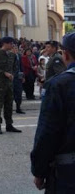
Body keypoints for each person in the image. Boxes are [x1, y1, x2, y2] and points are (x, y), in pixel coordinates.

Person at [31, 32, 75, 192]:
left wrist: (39, 170)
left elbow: (47, 131)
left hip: (68, 173)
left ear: (66, 54)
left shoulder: (59, 85)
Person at [0, 37, 22, 134]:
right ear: (5, 43)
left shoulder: (12, 55)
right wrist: (4, 73)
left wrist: (13, 74)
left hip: (9, 83)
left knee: (9, 104)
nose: (12, 45)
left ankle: (9, 124)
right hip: (0, 83)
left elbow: (15, 67)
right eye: (11, 43)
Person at [12, 45, 25, 114]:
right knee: (11, 94)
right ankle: (9, 108)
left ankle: (18, 107)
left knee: (19, 93)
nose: (15, 50)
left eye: (16, 49)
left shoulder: (19, 56)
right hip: (12, 77)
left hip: (18, 77)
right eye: (14, 49)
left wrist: (23, 76)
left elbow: (21, 67)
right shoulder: (9, 57)